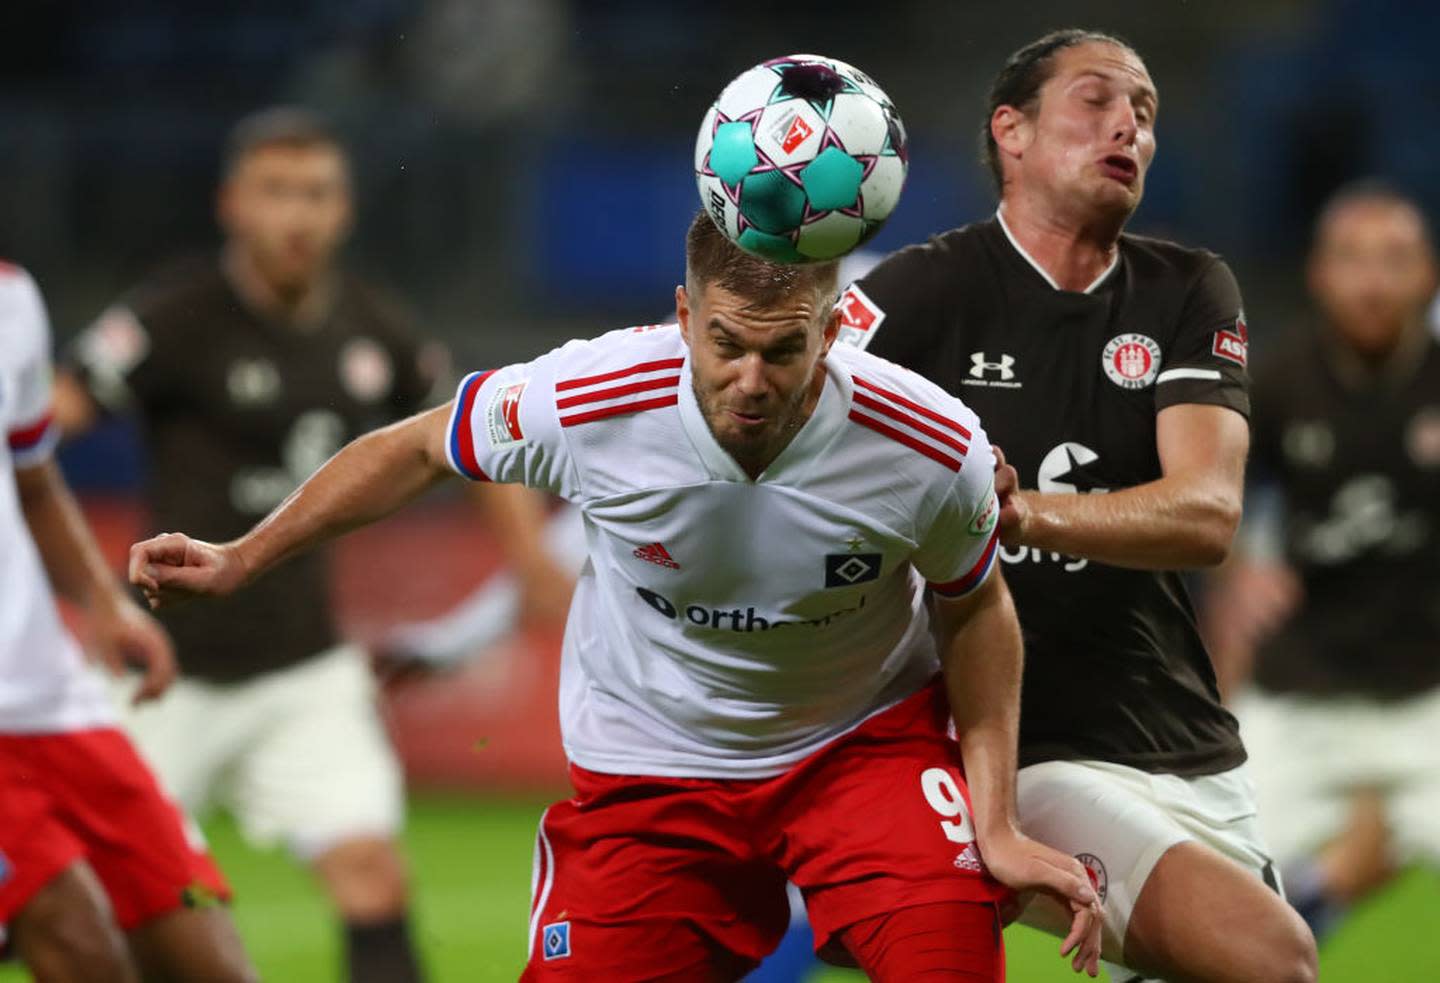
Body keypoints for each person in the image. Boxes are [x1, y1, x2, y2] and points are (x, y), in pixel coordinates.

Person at [128, 211, 1104, 980]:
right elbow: (419, 446)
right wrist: (244, 557)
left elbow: (976, 605)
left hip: (861, 746)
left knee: (947, 953)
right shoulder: (591, 397)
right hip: (654, 762)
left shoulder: (929, 442)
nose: (750, 380)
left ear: (835, 328)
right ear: (683, 314)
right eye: (725, 342)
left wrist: (996, 819)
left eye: (783, 350)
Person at [835, 29, 1317, 983]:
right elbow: (794, 450)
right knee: (1273, 957)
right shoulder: (918, 296)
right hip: (1023, 745)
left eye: (1144, 112)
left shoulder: (1187, 289)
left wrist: (1015, 514)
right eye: (1096, 101)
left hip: (1184, 737)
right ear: (1009, 131)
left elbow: (1207, 514)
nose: (1127, 126)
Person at [52, 107, 445, 983]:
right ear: (232, 203)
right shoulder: (175, 315)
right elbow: (42, 428)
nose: (297, 215)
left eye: (316, 193)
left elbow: (463, 433)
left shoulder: (375, 327)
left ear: (344, 208)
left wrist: (529, 561)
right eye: (276, 191)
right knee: (91, 910)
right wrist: (81, 582)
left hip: (301, 667)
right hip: (164, 672)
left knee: (372, 874)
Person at [0, 263, 256, 982]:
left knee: (209, 956)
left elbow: (32, 476)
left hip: (56, 702)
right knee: (78, 939)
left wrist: (102, 598)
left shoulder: (12, 301)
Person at [1207, 182, 1440, 942]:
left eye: (1394, 260)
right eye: (1352, 259)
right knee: (1217, 899)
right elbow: (1201, 490)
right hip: (1301, 694)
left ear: (1428, 274)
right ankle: (1320, 891)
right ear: (1318, 273)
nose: (1372, 281)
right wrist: (1240, 565)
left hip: (1428, 699)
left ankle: (1331, 883)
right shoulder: (1277, 381)